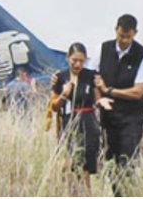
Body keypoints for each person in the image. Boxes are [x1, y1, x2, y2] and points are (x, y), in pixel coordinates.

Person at [91, 14, 143, 196]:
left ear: (135, 33)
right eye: (121, 36)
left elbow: (137, 92)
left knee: (126, 161)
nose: (124, 40)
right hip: (108, 116)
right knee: (110, 160)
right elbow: (93, 78)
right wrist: (98, 99)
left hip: (131, 118)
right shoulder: (102, 49)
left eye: (128, 37)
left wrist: (109, 91)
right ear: (116, 29)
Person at [50, 42, 111, 194]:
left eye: (81, 61)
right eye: (74, 60)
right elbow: (54, 106)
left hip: (88, 123)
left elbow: (97, 99)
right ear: (67, 58)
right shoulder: (59, 77)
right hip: (68, 122)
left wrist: (101, 101)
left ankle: (86, 194)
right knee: (71, 165)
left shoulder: (91, 76)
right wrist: (64, 94)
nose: (78, 64)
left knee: (85, 167)